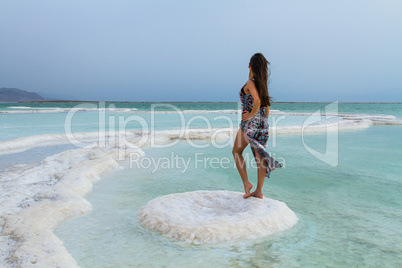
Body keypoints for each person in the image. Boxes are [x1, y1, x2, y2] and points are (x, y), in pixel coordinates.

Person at [232, 53, 283, 199]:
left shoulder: (250, 83)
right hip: (263, 124)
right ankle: (259, 191)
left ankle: (247, 184)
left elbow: (258, 101)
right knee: (259, 157)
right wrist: (262, 123)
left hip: (250, 123)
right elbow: (266, 106)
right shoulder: (262, 85)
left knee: (236, 152)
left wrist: (249, 116)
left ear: (250, 65)